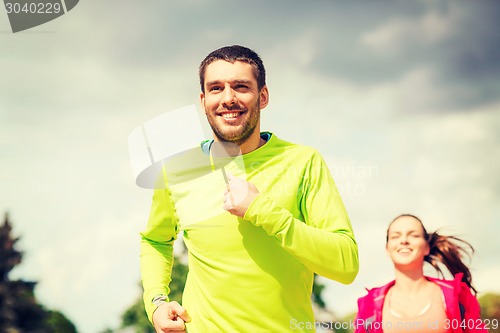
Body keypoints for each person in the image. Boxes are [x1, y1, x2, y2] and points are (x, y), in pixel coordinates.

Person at [140, 45, 359, 333]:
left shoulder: (303, 161)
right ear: (203, 100)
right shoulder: (176, 169)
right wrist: (156, 303)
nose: (228, 98)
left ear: (263, 96)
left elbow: (345, 264)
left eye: (241, 87)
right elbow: (155, 240)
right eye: (216, 88)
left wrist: (264, 211)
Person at [355, 214, 488, 333]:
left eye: (414, 235)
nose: (404, 240)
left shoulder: (456, 294)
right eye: (395, 236)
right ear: (387, 248)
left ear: (426, 247)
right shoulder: (369, 304)